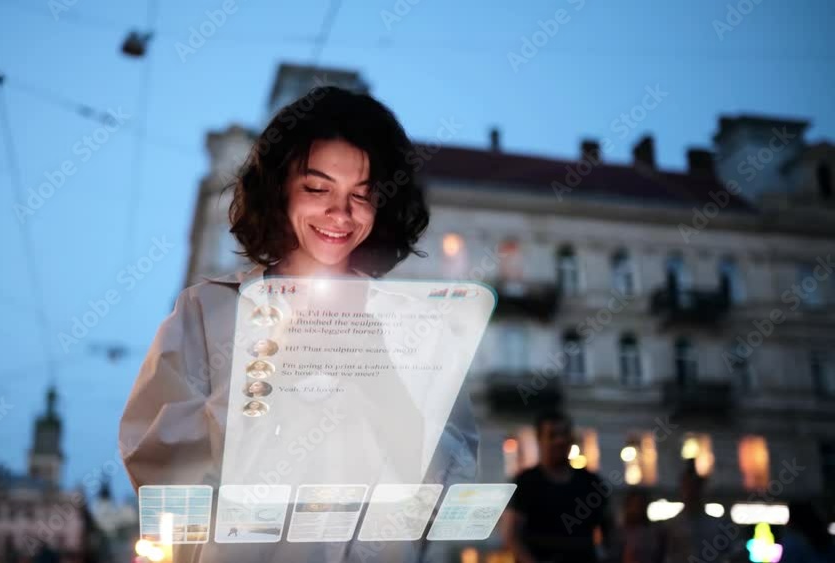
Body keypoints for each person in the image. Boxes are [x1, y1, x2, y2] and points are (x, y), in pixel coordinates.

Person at [119, 85, 480, 563]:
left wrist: (380, 376)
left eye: (362, 195)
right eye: (317, 188)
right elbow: (156, 470)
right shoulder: (208, 312)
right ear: (279, 189)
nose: (341, 213)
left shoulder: (415, 327)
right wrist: (266, 378)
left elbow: (451, 491)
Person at [502, 410, 611, 563]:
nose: (560, 441)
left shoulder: (591, 482)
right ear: (540, 439)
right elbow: (511, 535)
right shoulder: (525, 482)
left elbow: (611, 530)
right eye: (552, 435)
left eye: (564, 434)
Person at [658, 461, 739, 563]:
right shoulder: (670, 527)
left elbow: (731, 554)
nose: (691, 493)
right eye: (688, 488)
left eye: (695, 488)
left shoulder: (718, 525)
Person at [615, 488, 660, 563]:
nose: (635, 509)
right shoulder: (619, 533)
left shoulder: (651, 534)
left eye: (639, 505)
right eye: (633, 505)